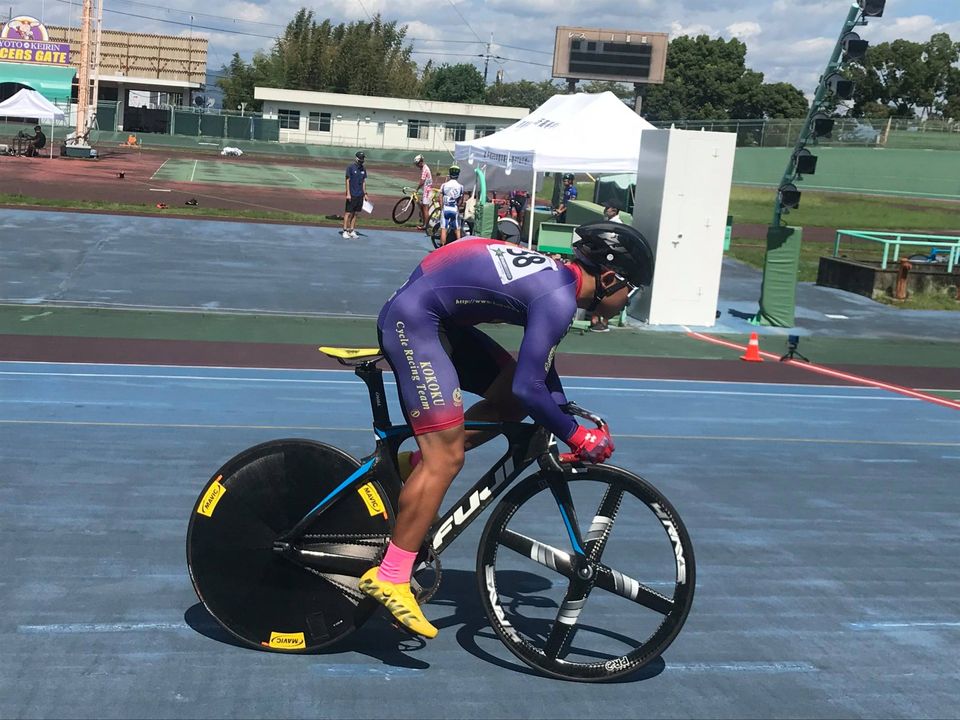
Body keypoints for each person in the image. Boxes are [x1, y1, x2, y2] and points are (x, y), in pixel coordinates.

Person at [358, 222, 655, 638]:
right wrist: (577, 435)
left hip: (436, 315)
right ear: (608, 279)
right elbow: (531, 385)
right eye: (633, 290)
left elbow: (538, 376)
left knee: (509, 404)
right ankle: (391, 574)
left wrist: (565, 417)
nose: (630, 301)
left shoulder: (559, 281)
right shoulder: (558, 299)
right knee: (447, 459)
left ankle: (413, 466)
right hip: (419, 321)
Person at [589, 201, 625, 332]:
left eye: (607, 208)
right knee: (599, 289)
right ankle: (596, 319)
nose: (605, 209)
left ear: (614, 210)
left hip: (611, 262)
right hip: (605, 260)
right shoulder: (608, 223)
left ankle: (603, 320)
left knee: (607, 290)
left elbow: (612, 244)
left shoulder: (617, 225)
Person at [343, 151, 367, 239]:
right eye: (361, 158)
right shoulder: (350, 168)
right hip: (352, 194)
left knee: (356, 213)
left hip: (360, 194)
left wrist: (365, 193)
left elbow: (364, 182)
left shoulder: (363, 169)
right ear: (356, 158)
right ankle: (345, 231)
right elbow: (347, 181)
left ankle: (351, 230)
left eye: (363, 158)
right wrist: (348, 193)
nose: (362, 160)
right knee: (348, 213)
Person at [438, 165, 464, 246]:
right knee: (457, 229)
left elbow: (440, 197)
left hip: (445, 208)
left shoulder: (444, 185)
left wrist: (442, 206)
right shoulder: (460, 186)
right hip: (454, 208)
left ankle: (442, 246)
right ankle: (459, 247)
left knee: (443, 228)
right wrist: (458, 206)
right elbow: (461, 200)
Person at [413, 154, 433, 230]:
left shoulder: (425, 169)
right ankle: (425, 223)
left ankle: (426, 225)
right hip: (427, 189)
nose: (417, 166)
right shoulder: (425, 168)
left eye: (417, 164)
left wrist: (417, 189)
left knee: (425, 208)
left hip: (427, 191)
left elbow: (422, 181)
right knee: (423, 207)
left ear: (420, 162)